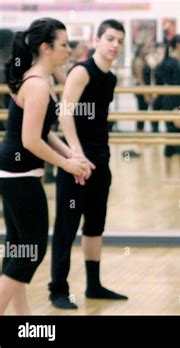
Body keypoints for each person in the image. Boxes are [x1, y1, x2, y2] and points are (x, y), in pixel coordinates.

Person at [0, 18, 89, 315]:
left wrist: (71, 157)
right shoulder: (37, 84)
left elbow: (44, 131)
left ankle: (22, 321)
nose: (69, 50)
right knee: (31, 250)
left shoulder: (38, 80)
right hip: (19, 175)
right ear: (45, 47)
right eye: (63, 45)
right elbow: (30, 141)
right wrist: (67, 164)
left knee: (18, 249)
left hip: (16, 174)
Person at [48, 19, 128, 309]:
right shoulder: (82, 72)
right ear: (98, 39)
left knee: (95, 226)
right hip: (76, 162)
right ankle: (57, 288)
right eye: (109, 38)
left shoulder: (110, 78)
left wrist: (96, 158)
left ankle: (94, 285)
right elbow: (65, 114)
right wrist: (76, 155)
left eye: (119, 40)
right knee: (67, 227)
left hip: (100, 162)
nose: (114, 45)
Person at [161, 35, 180, 183]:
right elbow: (169, 89)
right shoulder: (169, 63)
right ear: (178, 45)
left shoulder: (179, 62)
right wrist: (175, 110)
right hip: (173, 106)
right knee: (172, 140)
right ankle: (168, 175)